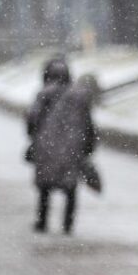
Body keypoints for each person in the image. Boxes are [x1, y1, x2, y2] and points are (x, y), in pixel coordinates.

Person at [28, 62, 99, 235]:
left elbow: (32, 120)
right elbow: (88, 124)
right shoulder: (79, 97)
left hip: (47, 147)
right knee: (70, 187)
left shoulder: (43, 95)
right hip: (73, 147)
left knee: (45, 187)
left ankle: (42, 221)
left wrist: (35, 139)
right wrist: (88, 146)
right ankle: (68, 224)